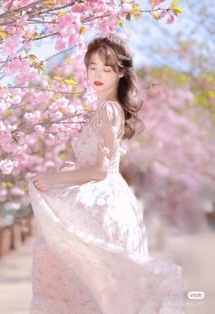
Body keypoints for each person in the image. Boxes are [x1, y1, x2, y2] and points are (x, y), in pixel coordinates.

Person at [28, 33, 185, 313]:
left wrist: (55, 178)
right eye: (93, 66)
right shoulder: (103, 109)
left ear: (121, 72)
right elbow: (98, 163)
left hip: (103, 203)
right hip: (105, 198)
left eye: (107, 68)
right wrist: (71, 170)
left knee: (83, 278)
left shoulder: (108, 110)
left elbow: (101, 169)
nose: (97, 74)